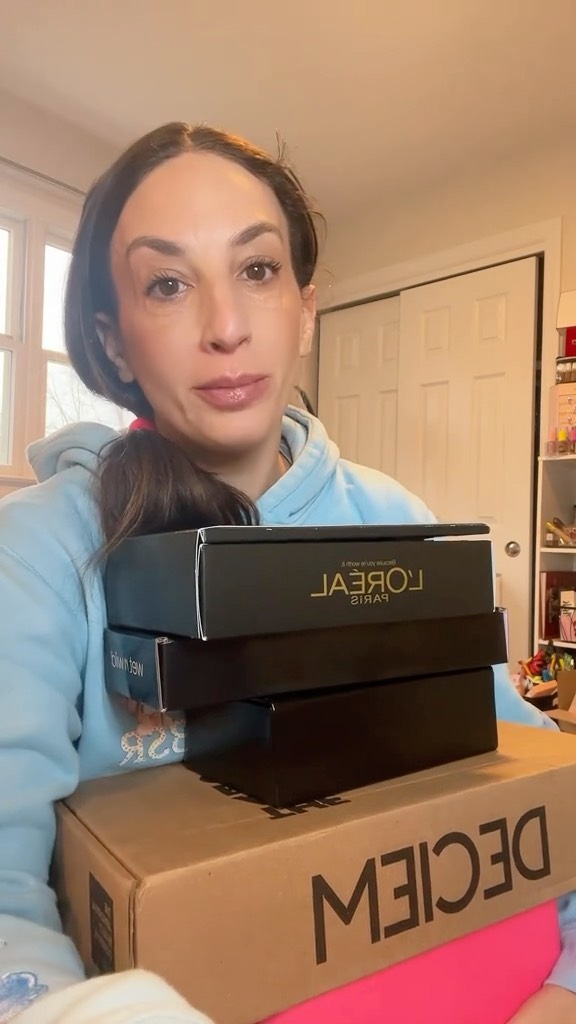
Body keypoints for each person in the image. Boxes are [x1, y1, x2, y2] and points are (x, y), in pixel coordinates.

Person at [0, 122, 574, 1024]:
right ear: (112, 344)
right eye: (168, 283)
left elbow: (530, 775)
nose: (226, 328)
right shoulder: (39, 551)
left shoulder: (392, 518)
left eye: (258, 270)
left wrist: (564, 989)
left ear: (306, 309)